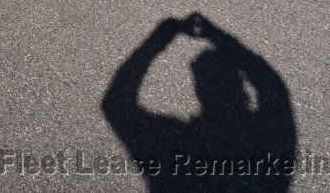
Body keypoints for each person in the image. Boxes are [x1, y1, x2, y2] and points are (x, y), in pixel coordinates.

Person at [101, 13, 296, 192]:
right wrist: (219, 37)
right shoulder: (265, 139)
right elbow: (273, 88)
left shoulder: (173, 143)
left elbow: (115, 105)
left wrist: (160, 37)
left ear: (199, 91)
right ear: (244, 92)